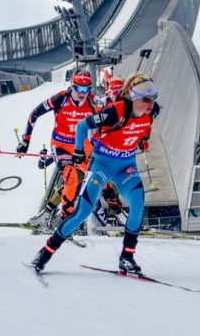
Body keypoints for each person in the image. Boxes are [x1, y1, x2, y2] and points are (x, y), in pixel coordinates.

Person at [30, 73, 161, 274]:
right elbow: (83, 126)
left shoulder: (153, 112)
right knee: (82, 212)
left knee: (137, 205)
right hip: (102, 164)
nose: (150, 104)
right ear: (133, 97)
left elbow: (145, 128)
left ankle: (127, 257)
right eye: (145, 99)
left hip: (126, 166)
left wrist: (142, 140)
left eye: (153, 98)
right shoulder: (115, 112)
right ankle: (45, 253)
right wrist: (79, 151)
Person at [17, 69, 100, 228]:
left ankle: (119, 214)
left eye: (86, 89)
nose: (82, 93)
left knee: (100, 177)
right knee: (71, 179)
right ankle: (65, 224)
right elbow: (34, 114)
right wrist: (25, 141)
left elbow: (111, 117)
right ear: (72, 86)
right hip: (61, 144)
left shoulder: (94, 101)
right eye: (78, 88)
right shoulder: (60, 99)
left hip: (82, 146)